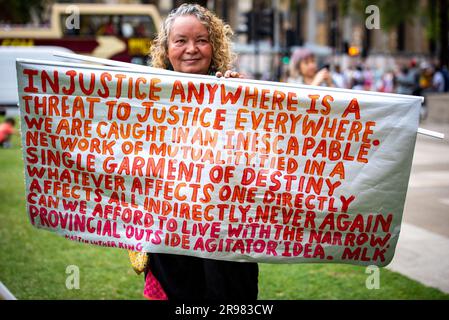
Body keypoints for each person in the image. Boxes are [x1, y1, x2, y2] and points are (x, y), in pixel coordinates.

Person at [139, 3, 259, 301]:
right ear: (166, 49)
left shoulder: (237, 94)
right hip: (169, 246)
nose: (191, 49)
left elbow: (260, 159)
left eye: (201, 40)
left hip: (228, 243)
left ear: (213, 46)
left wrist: (250, 105)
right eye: (180, 40)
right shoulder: (144, 98)